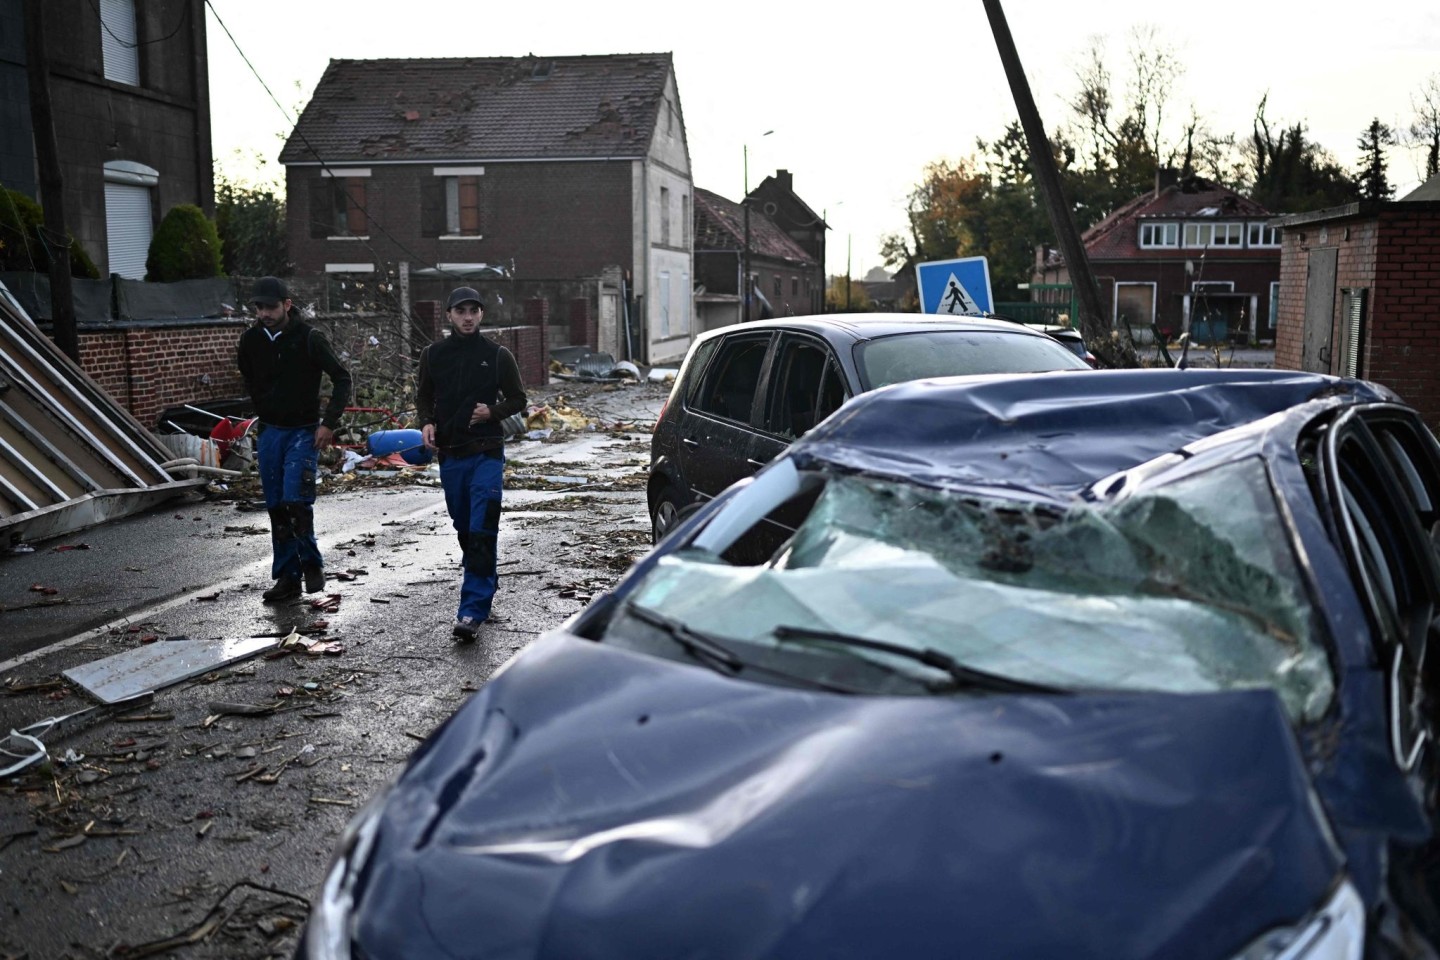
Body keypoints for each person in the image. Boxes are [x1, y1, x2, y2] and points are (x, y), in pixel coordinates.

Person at [416, 286, 527, 642]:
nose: (468, 317)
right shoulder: (433, 355)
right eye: (460, 311)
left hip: (487, 452)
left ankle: (472, 610)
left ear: (481, 315)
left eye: (474, 311)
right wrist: (427, 422)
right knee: (464, 526)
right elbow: (424, 396)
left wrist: (492, 411)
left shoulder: (497, 356)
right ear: (449, 315)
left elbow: (518, 399)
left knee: (483, 526)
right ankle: (485, 577)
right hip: (451, 454)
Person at [236, 276, 353, 602]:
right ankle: (287, 577)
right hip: (271, 431)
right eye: (259, 307)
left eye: (271, 307)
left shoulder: (309, 338)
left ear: (287, 304)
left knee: (295, 500)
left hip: (303, 432)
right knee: (275, 506)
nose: (265, 313)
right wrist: (263, 407)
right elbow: (248, 376)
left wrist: (328, 424)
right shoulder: (250, 341)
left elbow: (342, 378)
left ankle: (312, 564)